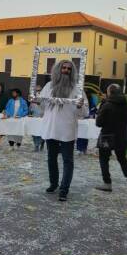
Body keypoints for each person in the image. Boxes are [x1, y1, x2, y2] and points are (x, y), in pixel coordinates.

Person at [39, 60, 88, 202]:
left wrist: (79, 106)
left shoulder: (78, 90)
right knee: (51, 158)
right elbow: (42, 106)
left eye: (68, 69)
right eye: (63, 68)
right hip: (51, 127)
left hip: (67, 128)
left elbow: (84, 112)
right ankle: (53, 183)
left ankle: (64, 189)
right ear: (58, 70)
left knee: (68, 160)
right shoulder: (49, 86)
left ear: (72, 72)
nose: (65, 70)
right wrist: (36, 101)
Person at [95, 84, 127, 193]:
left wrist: (102, 108)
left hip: (107, 137)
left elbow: (98, 123)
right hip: (122, 136)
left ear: (110, 93)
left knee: (104, 159)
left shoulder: (107, 105)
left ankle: (107, 183)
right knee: (122, 159)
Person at [29, 85, 44, 152]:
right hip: (34, 118)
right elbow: (30, 109)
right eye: (37, 90)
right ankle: (36, 145)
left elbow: (45, 107)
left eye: (39, 90)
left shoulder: (44, 99)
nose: (38, 92)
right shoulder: (33, 99)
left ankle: (40, 143)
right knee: (34, 132)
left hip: (42, 118)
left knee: (40, 132)